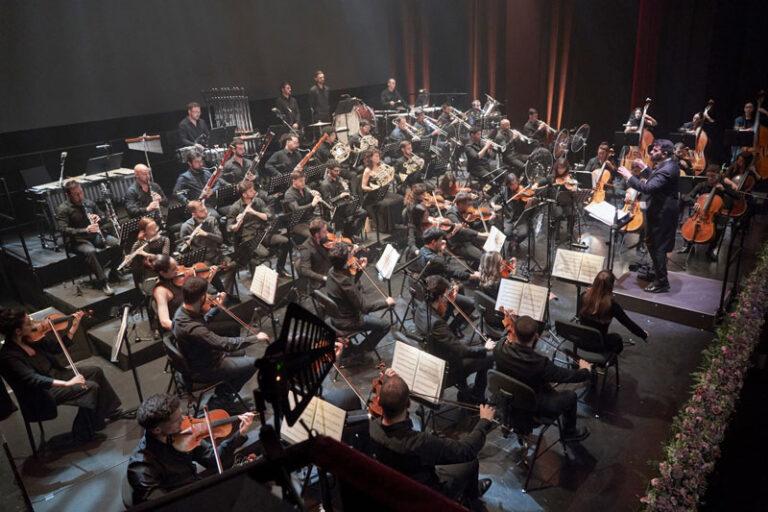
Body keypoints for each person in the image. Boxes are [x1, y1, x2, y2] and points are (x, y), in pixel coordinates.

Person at [369, 369, 494, 511]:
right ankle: (472, 499)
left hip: (396, 485)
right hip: (424, 495)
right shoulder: (419, 442)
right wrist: (483, 421)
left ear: (379, 401)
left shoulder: (371, 427)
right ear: (408, 404)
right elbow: (466, 450)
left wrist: (391, 384)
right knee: (470, 462)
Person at [0, 308, 122, 443]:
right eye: (28, 323)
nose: (34, 324)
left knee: (95, 371)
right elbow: (33, 379)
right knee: (90, 387)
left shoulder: (28, 339)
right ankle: (81, 430)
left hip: (57, 375)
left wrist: (73, 327)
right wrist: (68, 383)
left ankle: (105, 412)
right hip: (42, 392)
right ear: (17, 331)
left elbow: (57, 348)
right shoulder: (8, 356)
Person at [125, 393, 255, 506]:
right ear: (157, 430)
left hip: (197, 486)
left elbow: (211, 459)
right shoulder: (142, 465)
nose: (184, 419)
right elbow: (164, 505)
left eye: (182, 414)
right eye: (177, 420)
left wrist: (240, 434)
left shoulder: (184, 433)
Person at [494, 314, 591, 442]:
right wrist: (585, 370)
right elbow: (567, 376)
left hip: (509, 402)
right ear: (536, 336)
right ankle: (569, 432)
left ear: (513, 333)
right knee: (570, 396)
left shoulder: (499, 349)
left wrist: (509, 323)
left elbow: (503, 338)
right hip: (534, 409)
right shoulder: (540, 364)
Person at [172, 277, 269, 403]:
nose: (209, 297)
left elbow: (203, 320)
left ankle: (226, 387)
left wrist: (218, 307)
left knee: (241, 353)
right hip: (206, 367)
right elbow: (224, 344)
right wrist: (255, 338)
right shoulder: (194, 329)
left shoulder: (182, 312)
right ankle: (223, 397)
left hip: (198, 356)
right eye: (206, 295)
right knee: (255, 363)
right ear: (201, 298)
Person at [414, 276, 493, 403]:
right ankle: (476, 396)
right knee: (489, 357)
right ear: (439, 297)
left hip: (432, 355)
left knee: (466, 342)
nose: (448, 298)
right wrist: (485, 348)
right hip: (447, 368)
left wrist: (449, 303)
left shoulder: (421, 309)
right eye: (446, 295)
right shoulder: (436, 324)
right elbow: (462, 352)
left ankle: (465, 390)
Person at [617, 139, 680, 293]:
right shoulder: (668, 165)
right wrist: (645, 169)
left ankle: (662, 283)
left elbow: (648, 188)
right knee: (653, 244)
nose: (651, 152)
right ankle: (659, 276)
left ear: (664, 153)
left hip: (662, 215)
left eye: (655, 150)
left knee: (657, 246)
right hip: (659, 212)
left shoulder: (668, 169)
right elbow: (656, 178)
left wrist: (629, 177)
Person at [325, 243, 395, 356]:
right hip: (349, 321)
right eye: (349, 255)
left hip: (336, 317)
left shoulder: (332, 271)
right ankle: (360, 351)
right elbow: (365, 308)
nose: (352, 256)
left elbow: (348, 288)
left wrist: (360, 270)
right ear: (345, 262)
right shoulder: (345, 281)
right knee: (385, 325)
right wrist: (386, 303)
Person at [55, 180, 121, 295]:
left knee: (117, 243)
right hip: (76, 240)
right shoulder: (63, 209)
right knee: (90, 251)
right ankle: (104, 283)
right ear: (68, 195)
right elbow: (63, 229)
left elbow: (104, 218)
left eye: (81, 192)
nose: (80, 196)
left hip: (94, 236)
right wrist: (85, 230)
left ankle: (113, 271)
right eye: (76, 194)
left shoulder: (88, 203)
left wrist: (99, 217)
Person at [227, 180, 290, 277]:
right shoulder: (235, 207)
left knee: (285, 241)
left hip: (263, 233)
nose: (254, 191)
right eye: (251, 190)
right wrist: (238, 223)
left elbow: (269, 216)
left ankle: (280, 268)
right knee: (264, 254)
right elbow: (230, 228)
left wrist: (254, 212)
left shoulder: (258, 201)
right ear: (244, 194)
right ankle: (255, 275)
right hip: (249, 238)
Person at [678, 165, 739, 261]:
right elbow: (686, 196)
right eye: (708, 176)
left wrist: (724, 190)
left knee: (720, 226)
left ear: (718, 176)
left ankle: (711, 250)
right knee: (687, 222)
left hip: (715, 215)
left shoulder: (722, 186)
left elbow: (737, 196)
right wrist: (695, 202)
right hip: (700, 212)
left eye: (713, 176)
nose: (710, 179)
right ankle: (688, 246)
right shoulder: (702, 185)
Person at [578, 270, 648, 353]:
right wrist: (643, 334)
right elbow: (628, 323)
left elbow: (579, 316)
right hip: (598, 345)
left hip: (580, 342)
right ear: (611, 286)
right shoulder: (612, 306)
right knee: (617, 339)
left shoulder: (583, 296)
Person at [319, 160, 367, 238]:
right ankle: (347, 235)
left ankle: (352, 234)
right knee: (347, 218)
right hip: (334, 210)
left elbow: (345, 191)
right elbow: (328, 202)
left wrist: (346, 189)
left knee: (363, 212)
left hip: (344, 206)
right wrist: (340, 196)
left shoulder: (338, 178)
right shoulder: (325, 185)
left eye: (339, 170)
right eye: (336, 171)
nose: (338, 173)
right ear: (329, 170)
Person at [360, 148, 404, 233]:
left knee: (400, 198)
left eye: (378, 155)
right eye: (376, 156)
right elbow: (363, 186)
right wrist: (373, 188)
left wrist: (390, 175)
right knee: (386, 204)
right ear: (371, 158)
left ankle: (396, 222)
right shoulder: (367, 170)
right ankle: (387, 227)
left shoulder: (381, 165)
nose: (378, 157)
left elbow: (386, 177)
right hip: (373, 195)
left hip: (383, 191)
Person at [444, 192, 489, 264]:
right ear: (459, 204)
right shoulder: (451, 214)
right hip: (459, 244)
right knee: (482, 257)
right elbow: (461, 230)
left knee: (490, 240)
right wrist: (480, 234)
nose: (469, 207)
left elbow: (473, 226)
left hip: (468, 238)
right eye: (467, 205)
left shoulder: (464, 212)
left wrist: (485, 219)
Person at [491, 173, 529, 252]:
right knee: (506, 233)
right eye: (512, 185)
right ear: (508, 185)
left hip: (520, 217)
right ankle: (513, 241)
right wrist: (493, 204)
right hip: (508, 217)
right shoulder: (505, 190)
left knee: (524, 233)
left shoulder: (522, 190)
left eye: (516, 183)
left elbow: (528, 204)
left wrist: (529, 202)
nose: (515, 186)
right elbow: (495, 197)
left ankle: (515, 242)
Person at [127, 216, 170, 287]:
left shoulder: (164, 239)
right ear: (144, 232)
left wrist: (145, 254)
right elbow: (130, 264)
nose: (156, 230)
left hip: (161, 269)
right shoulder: (139, 243)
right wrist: (128, 260)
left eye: (155, 227)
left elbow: (164, 259)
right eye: (152, 229)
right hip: (146, 274)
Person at [284, 169, 324, 242]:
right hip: (298, 223)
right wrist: (312, 204)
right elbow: (296, 209)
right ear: (294, 181)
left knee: (328, 228)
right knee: (314, 236)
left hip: (310, 218)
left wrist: (317, 195)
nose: (303, 183)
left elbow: (315, 199)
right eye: (301, 181)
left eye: (304, 180)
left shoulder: (305, 188)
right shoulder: (289, 194)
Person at [297, 217, 332, 288]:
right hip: (320, 280)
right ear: (317, 235)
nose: (327, 233)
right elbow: (305, 270)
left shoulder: (324, 239)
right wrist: (324, 278)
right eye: (324, 232)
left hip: (331, 271)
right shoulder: (305, 247)